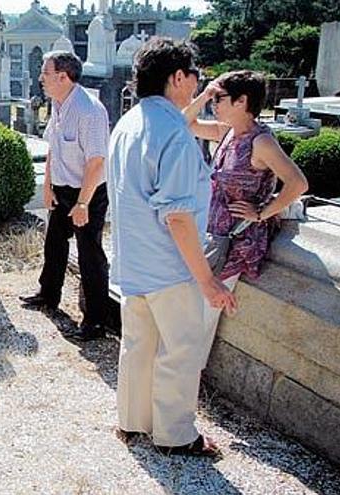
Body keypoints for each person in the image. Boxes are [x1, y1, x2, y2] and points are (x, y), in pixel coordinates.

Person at [107, 37, 237, 456]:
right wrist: (208, 281)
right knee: (179, 351)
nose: (197, 82)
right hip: (170, 265)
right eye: (194, 76)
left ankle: (132, 422)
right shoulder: (176, 137)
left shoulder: (127, 124)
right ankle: (176, 434)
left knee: (138, 346)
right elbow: (178, 216)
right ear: (178, 77)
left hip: (134, 261)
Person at [183, 70, 308, 332]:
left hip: (236, 243)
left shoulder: (260, 142)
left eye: (220, 98)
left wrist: (262, 212)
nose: (215, 104)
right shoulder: (228, 133)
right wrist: (205, 94)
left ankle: (191, 370)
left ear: (242, 101)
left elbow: (298, 183)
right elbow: (184, 122)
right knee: (191, 313)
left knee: (201, 318)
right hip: (215, 234)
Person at [19, 50, 112, 341]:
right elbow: (54, 151)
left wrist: (83, 203)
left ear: (63, 76)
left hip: (88, 191)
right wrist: (47, 186)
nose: (40, 79)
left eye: (45, 73)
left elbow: (96, 162)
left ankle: (96, 321)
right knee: (54, 244)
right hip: (62, 188)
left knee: (89, 255)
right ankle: (48, 295)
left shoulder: (90, 110)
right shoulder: (58, 105)